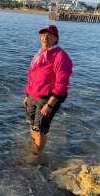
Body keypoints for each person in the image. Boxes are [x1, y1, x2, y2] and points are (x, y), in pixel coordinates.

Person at [23, 25, 73, 154]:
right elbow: (32, 76)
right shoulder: (39, 53)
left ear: (56, 38)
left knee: (40, 129)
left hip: (46, 99)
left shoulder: (61, 56)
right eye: (43, 34)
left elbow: (62, 85)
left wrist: (50, 105)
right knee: (32, 125)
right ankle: (35, 146)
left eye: (49, 34)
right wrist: (27, 95)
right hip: (32, 96)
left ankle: (36, 156)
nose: (45, 37)